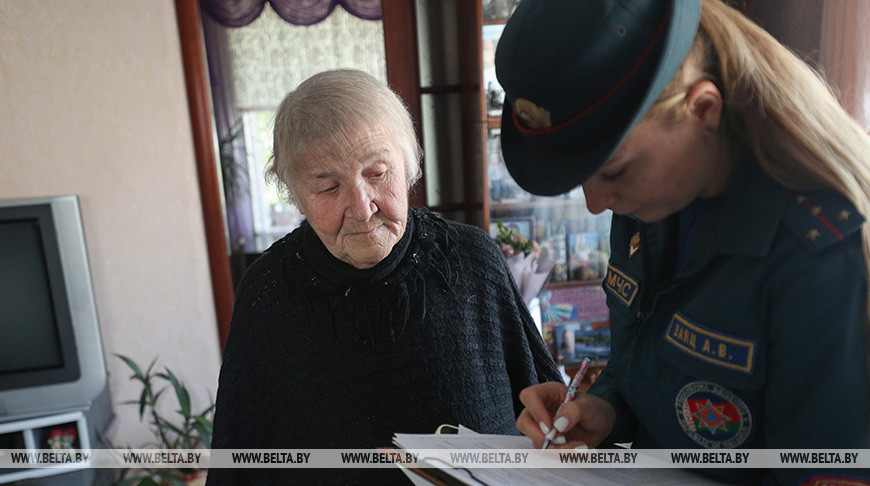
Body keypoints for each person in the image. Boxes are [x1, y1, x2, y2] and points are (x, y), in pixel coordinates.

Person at [495, 0, 870, 484]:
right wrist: (602, 409)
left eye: (613, 170)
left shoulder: (816, 252)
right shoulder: (648, 201)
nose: (596, 203)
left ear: (703, 110)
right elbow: (646, 360)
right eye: (583, 178)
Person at [206, 69, 561, 485]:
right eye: (327, 187)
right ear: (295, 195)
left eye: (377, 174)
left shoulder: (472, 260)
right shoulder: (269, 294)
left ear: (408, 165)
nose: (361, 207)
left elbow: (546, 422)